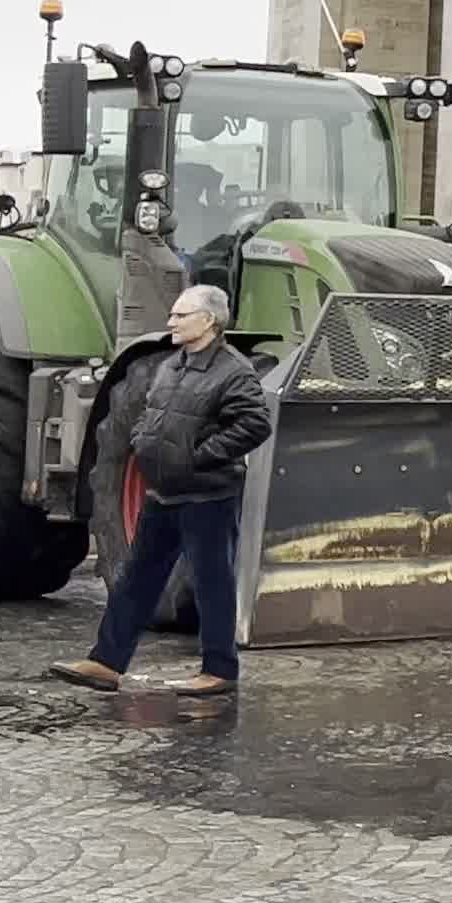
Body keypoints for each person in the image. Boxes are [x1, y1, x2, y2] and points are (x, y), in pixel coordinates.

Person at [50, 285, 265, 699]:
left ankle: (219, 669)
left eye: (181, 316)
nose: (171, 322)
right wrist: (144, 442)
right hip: (163, 491)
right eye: (173, 315)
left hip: (207, 494)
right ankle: (106, 662)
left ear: (209, 321)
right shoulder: (171, 365)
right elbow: (152, 411)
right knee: (137, 578)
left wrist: (201, 456)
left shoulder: (234, 371)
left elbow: (255, 424)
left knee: (212, 581)